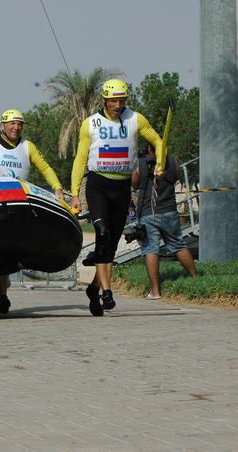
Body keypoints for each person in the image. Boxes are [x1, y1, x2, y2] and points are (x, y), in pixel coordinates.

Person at [70, 79, 164, 316]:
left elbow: (158, 141)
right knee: (102, 234)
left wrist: (160, 165)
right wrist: (74, 194)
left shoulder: (135, 119)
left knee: (110, 245)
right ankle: (107, 292)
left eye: (122, 100)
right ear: (105, 100)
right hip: (98, 185)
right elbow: (80, 160)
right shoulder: (90, 124)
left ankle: (94, 289)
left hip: (121, 188)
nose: (118, 105)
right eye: (113, 101)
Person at [0, 108, 65, 314]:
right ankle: (2, 294)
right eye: (12, 123)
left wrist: (58, 189)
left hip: (17, 210)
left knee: (8, 254)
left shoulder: (27, 147)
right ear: (3, 125)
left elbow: (46, 168)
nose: (16, 127)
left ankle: (0, 291)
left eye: (20, 124)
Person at [132, 145, 196, 299]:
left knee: (150, 249)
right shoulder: (174, 161)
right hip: (170, 211)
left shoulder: (140, 163)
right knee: (178, 245)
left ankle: (155, 291)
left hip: (149, 212)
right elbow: (175, 178)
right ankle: (195, 278)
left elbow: (134, 184)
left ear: (149, 149)